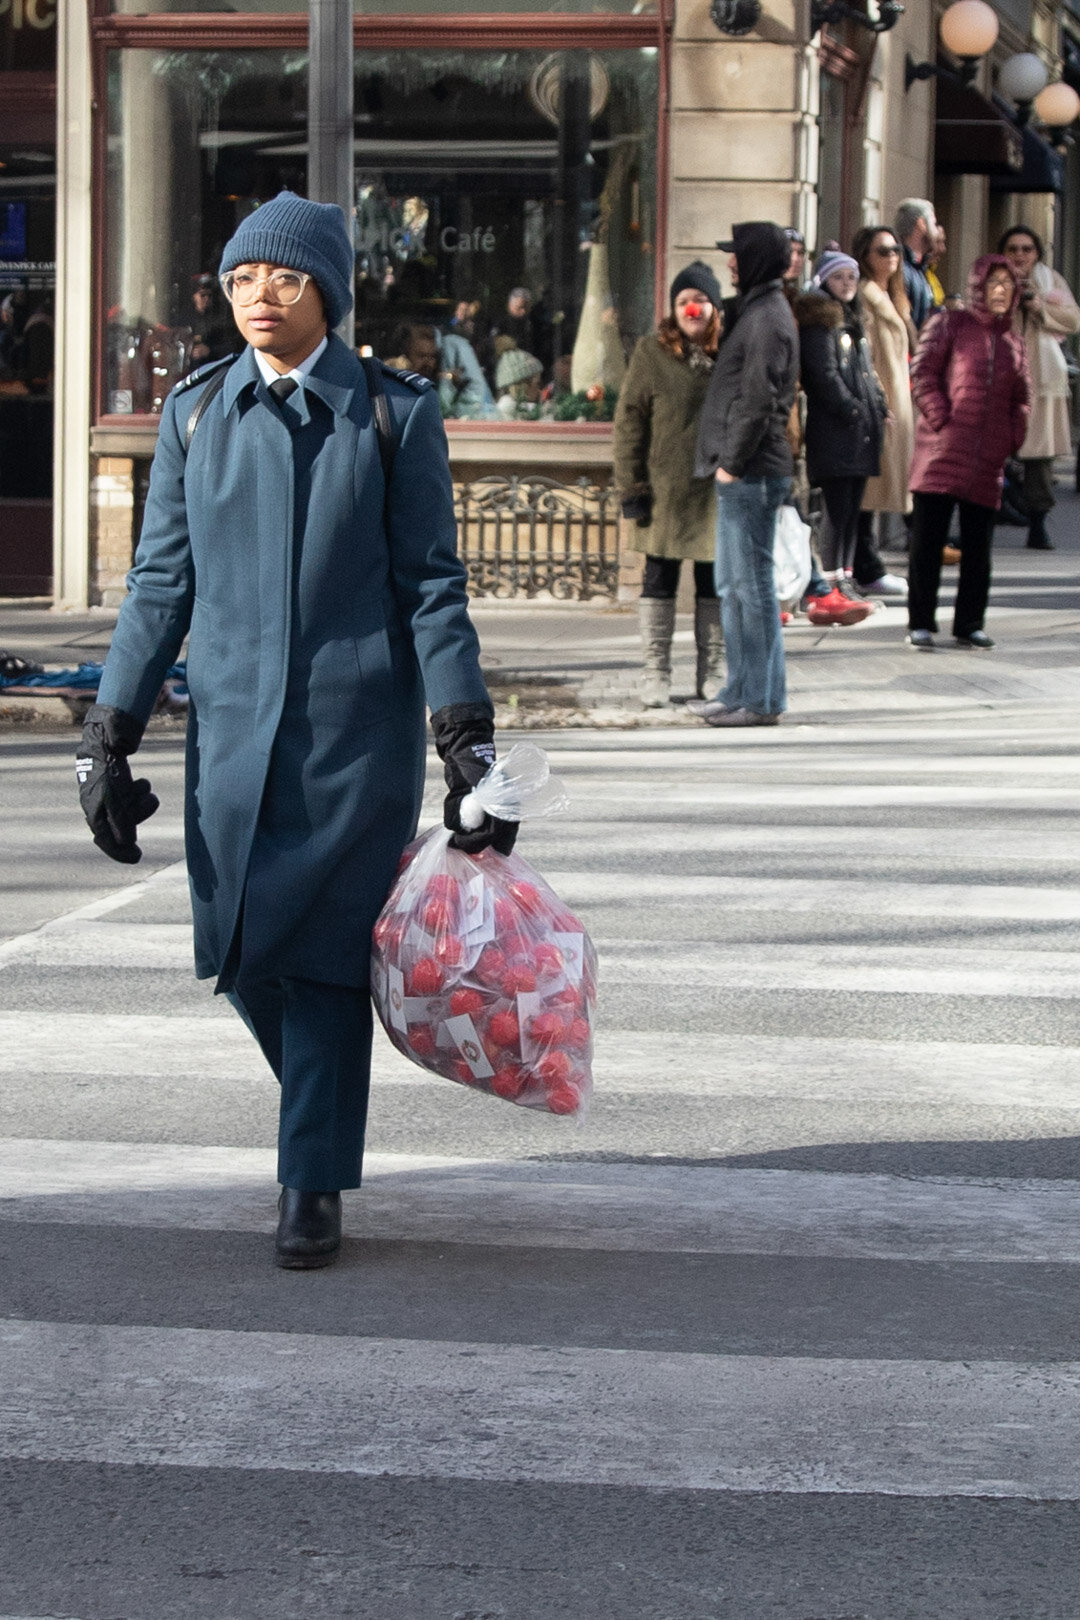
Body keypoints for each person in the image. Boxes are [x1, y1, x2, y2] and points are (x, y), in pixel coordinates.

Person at [74, 192, 514, 1271]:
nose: (257, 298)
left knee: (317, 959)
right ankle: (321, 1116)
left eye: (281, 278)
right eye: (239, 280)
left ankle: (309, 1179)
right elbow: (159, 583)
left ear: (327, 292)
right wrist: (109, 730)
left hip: (351, 741)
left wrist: (465, 740)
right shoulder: (192, 415)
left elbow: (431, 587)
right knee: (238, 952)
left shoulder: (393, 414)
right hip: (228, 737)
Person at [692, 221, 799, 728]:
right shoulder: (757, 311)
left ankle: (759, 699)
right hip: (742, 471)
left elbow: (759, 400)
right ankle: (740, 689)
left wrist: (732, 462)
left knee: (751, 589)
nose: (730, 262)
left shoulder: (769, 319)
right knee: (732, 587)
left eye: (737, 254)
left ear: (756, 259)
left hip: (752, 472)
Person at [906, 255, 1030, 650]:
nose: (999, 290)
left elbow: (1021, 398)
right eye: (992, 283)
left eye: (1006, 284)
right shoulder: (951, 324)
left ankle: (969, 623)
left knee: (979, 549)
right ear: (979, 287)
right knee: (928, 542)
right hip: (941, 453)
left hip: (987, 461)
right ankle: (920, 622)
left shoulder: (1014, 343)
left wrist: (1012, 437)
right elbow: (922, 373)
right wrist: (943, 421)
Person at [613, 260, 722, 707]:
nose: (690, 308)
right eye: (682, 301)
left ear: (713, 307)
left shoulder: (729, 351)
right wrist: (631, 487)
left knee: (715, 582)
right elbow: (629, 423)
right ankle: (655, 672)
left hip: (715, 489)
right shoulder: (651, 352)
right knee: (658, 580)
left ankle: (713, 671)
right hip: (664, 490)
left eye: (699, 300)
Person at [795, 251, 888, 616]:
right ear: (824, 282)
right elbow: (824, 375)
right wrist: (851, 407)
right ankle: (832, 579)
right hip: (836, 430)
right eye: (839, 277)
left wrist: (878, 405)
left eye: (852, 277)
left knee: (852, 509)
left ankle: (846, 575)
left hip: (861, 431)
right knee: (835, 509)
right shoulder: (821, 322)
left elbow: (866, 373)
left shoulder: (853, 321)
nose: (847, 283)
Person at [998, 225, 1080, 551]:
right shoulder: (993, 277)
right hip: (1001, 375)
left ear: (1036, 253)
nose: (1019, 255)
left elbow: (1073, 319)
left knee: (1039, 458)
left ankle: (1038, 523)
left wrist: (1039, 308)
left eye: (1026, 249)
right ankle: (987, 517)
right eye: (1013, 249)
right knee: (990, 453)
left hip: (1042, 380)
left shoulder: (1051, 280)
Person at [851, 225, 915, 598]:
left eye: (895, 250)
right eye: (883, 250)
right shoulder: (866, 297)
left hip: (898, 401)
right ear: (866, 256)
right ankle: (866, 565)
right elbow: (867, 356)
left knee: (878, 486)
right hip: (881, 403)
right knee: (869, 489)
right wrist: (877, 401)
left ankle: (868, 563)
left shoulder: (894, 295)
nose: (891, 256)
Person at [894, 198, 937, 332]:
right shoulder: (901, 270)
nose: (937, 231)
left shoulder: (919, 269)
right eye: (934, 224)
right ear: (921, 224)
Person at [494, 345, 543, 418]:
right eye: (538, 384)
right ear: (525, 384)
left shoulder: (498, 414)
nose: (540, 391)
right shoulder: (513, 418)